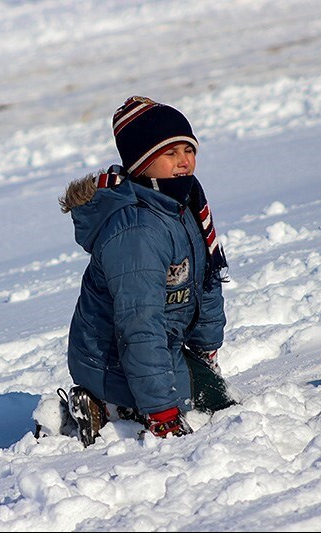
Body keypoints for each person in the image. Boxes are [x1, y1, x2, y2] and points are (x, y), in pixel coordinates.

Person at [59, 96, 234, 447]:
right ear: (142, 162)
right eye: (170, 153)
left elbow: (206, 282)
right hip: (109, 359)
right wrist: (162, 412)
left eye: (189, 149)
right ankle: (102, 404)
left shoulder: (183, 205)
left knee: (215, 396)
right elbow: (138, 325)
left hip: (157, 345)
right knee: (208, 404)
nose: (184, 161)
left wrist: (205, 349)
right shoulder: (138, 231)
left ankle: (129, 401)